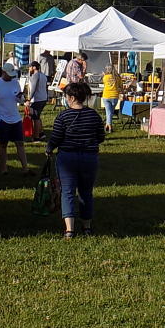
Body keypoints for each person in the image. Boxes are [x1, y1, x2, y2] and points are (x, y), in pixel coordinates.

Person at [46, 82, 105, 239]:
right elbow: (101, 137)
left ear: (71, 98)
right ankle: (87, 227)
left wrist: (49, 148)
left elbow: (56, 137)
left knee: (68, 192)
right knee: (86, 192)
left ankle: (70, 229)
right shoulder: (94, 115)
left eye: (66, 96)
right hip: (89, 158)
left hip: (67, 158)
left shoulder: (63, 116)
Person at [0, 62, 30, 175]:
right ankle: (3, 169)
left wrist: (21, 99)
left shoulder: (15, 83)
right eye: (9, 74)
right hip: (3, 119)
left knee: (20, 143)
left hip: (15, 118)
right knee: (3, 144)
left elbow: (17, 98)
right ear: (3, 73)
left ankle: (25, 168)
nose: (11, 77)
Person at [26, 61, 48, 142]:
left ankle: (36, 137)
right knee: (37, 116)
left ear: (34, 67)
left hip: (37, 99)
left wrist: (29, 99)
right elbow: (46, 88)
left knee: (35, 118)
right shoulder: (43, 76)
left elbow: (34, 88)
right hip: (43, 98)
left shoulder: (36, 75)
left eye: (30, 67)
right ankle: (41, 133)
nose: (29, 68)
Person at [101, 64, 122, 133]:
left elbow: (104, 83)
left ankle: (108, 125)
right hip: (114, 96)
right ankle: (109, 126)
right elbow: (120, 86)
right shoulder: (117, 77)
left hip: (106, 95)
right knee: (110, 112)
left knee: (109, 112)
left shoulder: (105, 77)